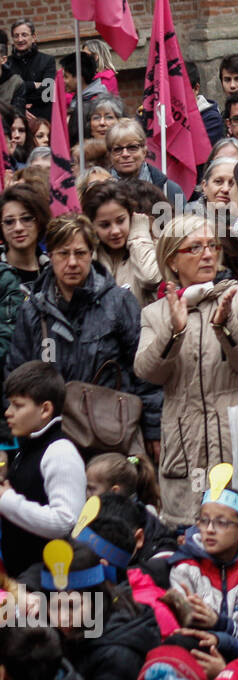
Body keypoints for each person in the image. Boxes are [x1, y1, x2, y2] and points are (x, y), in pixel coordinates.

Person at [135, 215, 238, 527]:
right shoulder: (155, 314)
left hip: (236, 440)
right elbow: (147, 372)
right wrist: (173, 330)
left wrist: (227, 326)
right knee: (189, 540)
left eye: (212, 246)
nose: (208, 254)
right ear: (172, 261)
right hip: (186, 448)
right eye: (194, 248)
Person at [6, 213, 160, 449]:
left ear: (91, 254)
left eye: (80, 253)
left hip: (109, 435)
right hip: (49, 438)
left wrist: (152, 428)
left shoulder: (119, 302)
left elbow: (144, 370)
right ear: (50, 255)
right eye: (63, 253)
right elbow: (15, 375)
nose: (72, 263)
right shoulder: (33, 310)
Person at [0, 362, 84, 576]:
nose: (8, 413)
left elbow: (65, 522)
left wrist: (7, 499)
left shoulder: (60, 452)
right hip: (21, 577)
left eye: (18, 406)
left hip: (47, 585)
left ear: (45, 409)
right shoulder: (28, 446)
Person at [83, 180, 160, 308]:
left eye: (120, 221)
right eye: (105, 225)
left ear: (131, 216)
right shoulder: (89, 253)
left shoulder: (153, 246)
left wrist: (139, 235)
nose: (115, 231)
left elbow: (150, 278)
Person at [105, 119, 183, 203]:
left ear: (144, 151)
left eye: (132, 148)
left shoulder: (170, 190)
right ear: (109, 155)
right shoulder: (100, 188)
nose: (125, 154)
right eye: (117, 149)